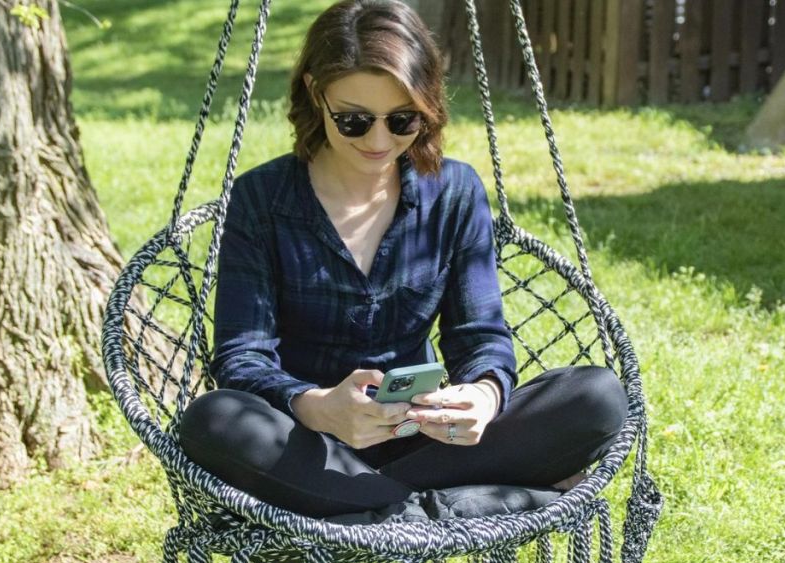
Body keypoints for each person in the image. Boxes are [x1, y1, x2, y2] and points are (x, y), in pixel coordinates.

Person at [178, 0, 627, 522]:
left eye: (402, 120)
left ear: (427, 106)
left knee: (597, 398)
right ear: (313, 93)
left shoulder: (453, 192)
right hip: (308, 445)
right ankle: (444, 510)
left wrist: (483, 395)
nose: (378, 141)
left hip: (426, 441)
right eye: (353, 120)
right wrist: (317, 405)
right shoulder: (262, 198)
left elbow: (479, 336)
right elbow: (241, 358)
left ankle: (379, 510)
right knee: (213, 419)